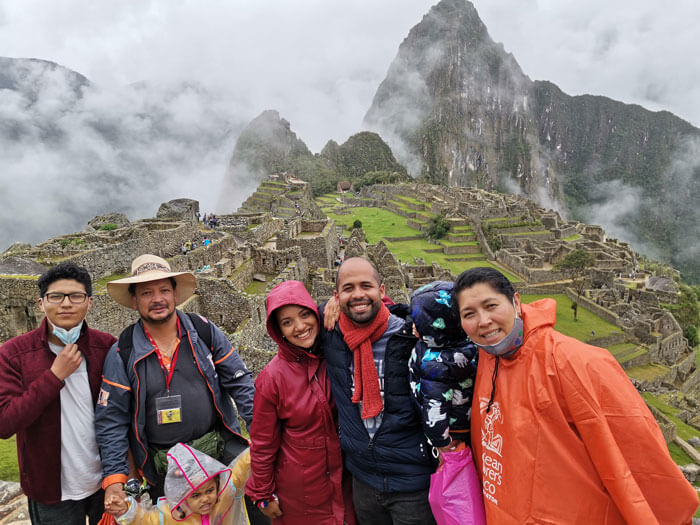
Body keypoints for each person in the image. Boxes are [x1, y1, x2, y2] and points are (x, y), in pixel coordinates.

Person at [453, 267, 699, 524]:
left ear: (516, 302)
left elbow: (639, 452)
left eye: (491, 305)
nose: (482, 321)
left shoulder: (575, 361)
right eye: (469, 314)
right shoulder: (488, 358)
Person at [94, 254, 257, 520]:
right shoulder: (123, 352)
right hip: (164, 471)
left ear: (175, 295)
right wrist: (115, 479)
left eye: (163, 290)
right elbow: (111, 419)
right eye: (147, 292)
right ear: (135, 300)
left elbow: (239, 382)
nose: (157, 299)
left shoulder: (203, 332)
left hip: (216, 460)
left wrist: (261, 429)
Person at [321, 257, 436, 525]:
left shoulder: (412, 335)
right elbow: (294, 318)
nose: (358, 294)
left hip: (413, 484)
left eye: (366, 286)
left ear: (382, 291)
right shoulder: (330, 334)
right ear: (337, 297)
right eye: (348, 288)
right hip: (364, 480)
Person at [0, 263, 116, 524]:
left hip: (106, 482)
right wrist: (54, 377)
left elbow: (122, 413)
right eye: (56, 296)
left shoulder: (106, 346)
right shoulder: (14, 354)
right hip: (50, 490)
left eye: (76, 296)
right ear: (41, 304)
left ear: (90, 303)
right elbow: (5, 423)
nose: (66, 304)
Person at [246, 280, 355, 524]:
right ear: (278, 330)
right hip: (300, 493)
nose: (300, 327)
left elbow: (377, 308)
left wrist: (339, 304)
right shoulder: (272, 379)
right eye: (287, 322)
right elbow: (263, 443)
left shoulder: (335, 350)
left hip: (345, 480)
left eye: (305, 315)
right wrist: (263, 495)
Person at [408, 281, 478, 455]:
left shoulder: (436, 364)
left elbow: (435, 404)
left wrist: (440, 441)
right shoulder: (468, 345)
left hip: (450, 431)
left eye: (418, 322)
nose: (413, 325)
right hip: (463, 420)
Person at [115, 443, 250, 525]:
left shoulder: (223, 498)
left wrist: (260, 447)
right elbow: (145, 520)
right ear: (182, 497)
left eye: (210, 490)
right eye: (196, 495)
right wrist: (126, 510)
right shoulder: (174, 515)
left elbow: (241, 468)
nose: (205, 499)